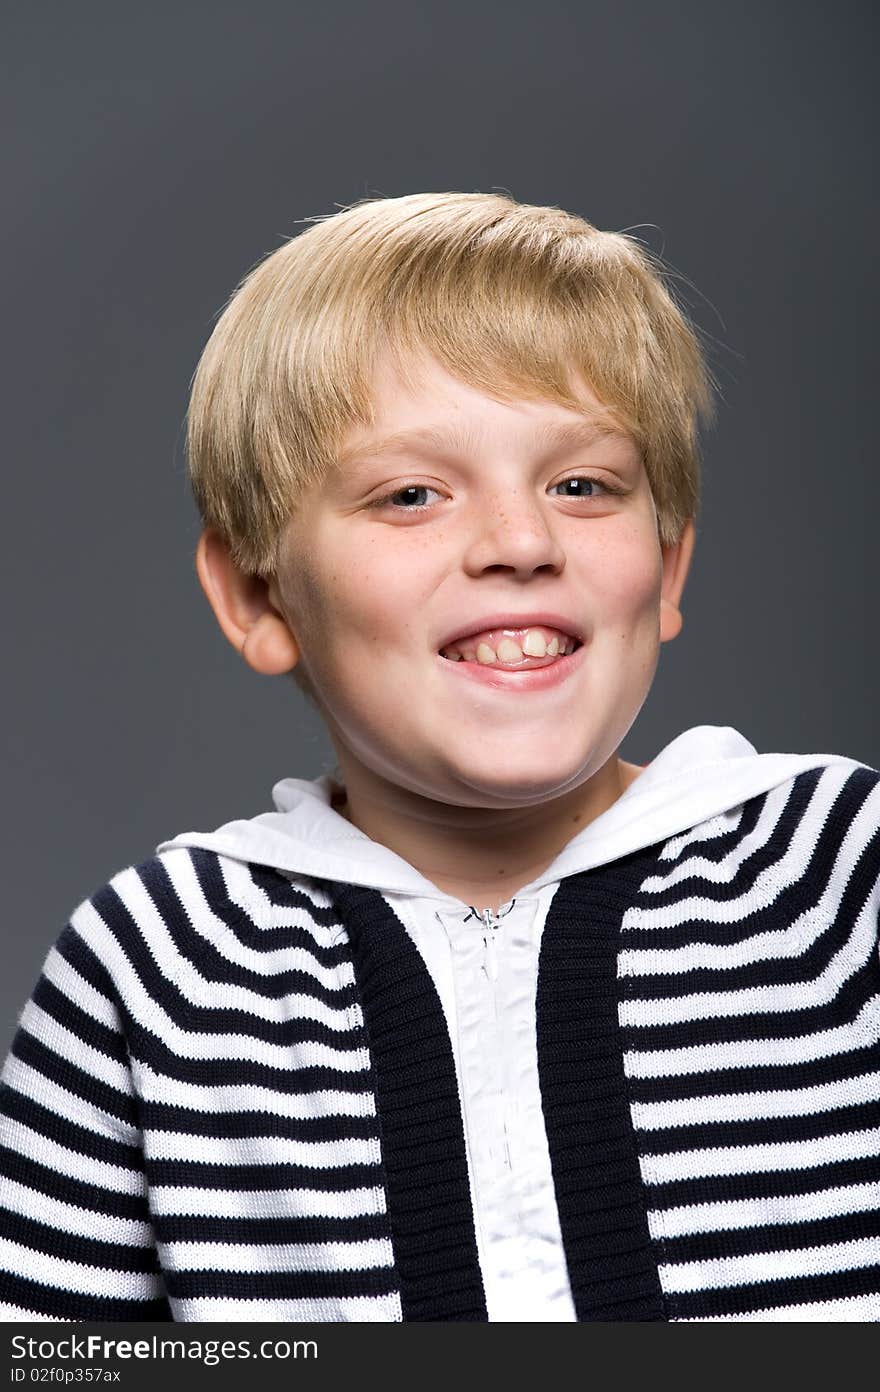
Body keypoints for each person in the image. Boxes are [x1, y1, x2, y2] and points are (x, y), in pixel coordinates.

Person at [1, 192, 878, 1324]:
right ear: (259, 597)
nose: (520, 544)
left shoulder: (836, 876)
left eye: (582, 486)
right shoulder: (156, 968)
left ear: (664, 570)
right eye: (410, 493)